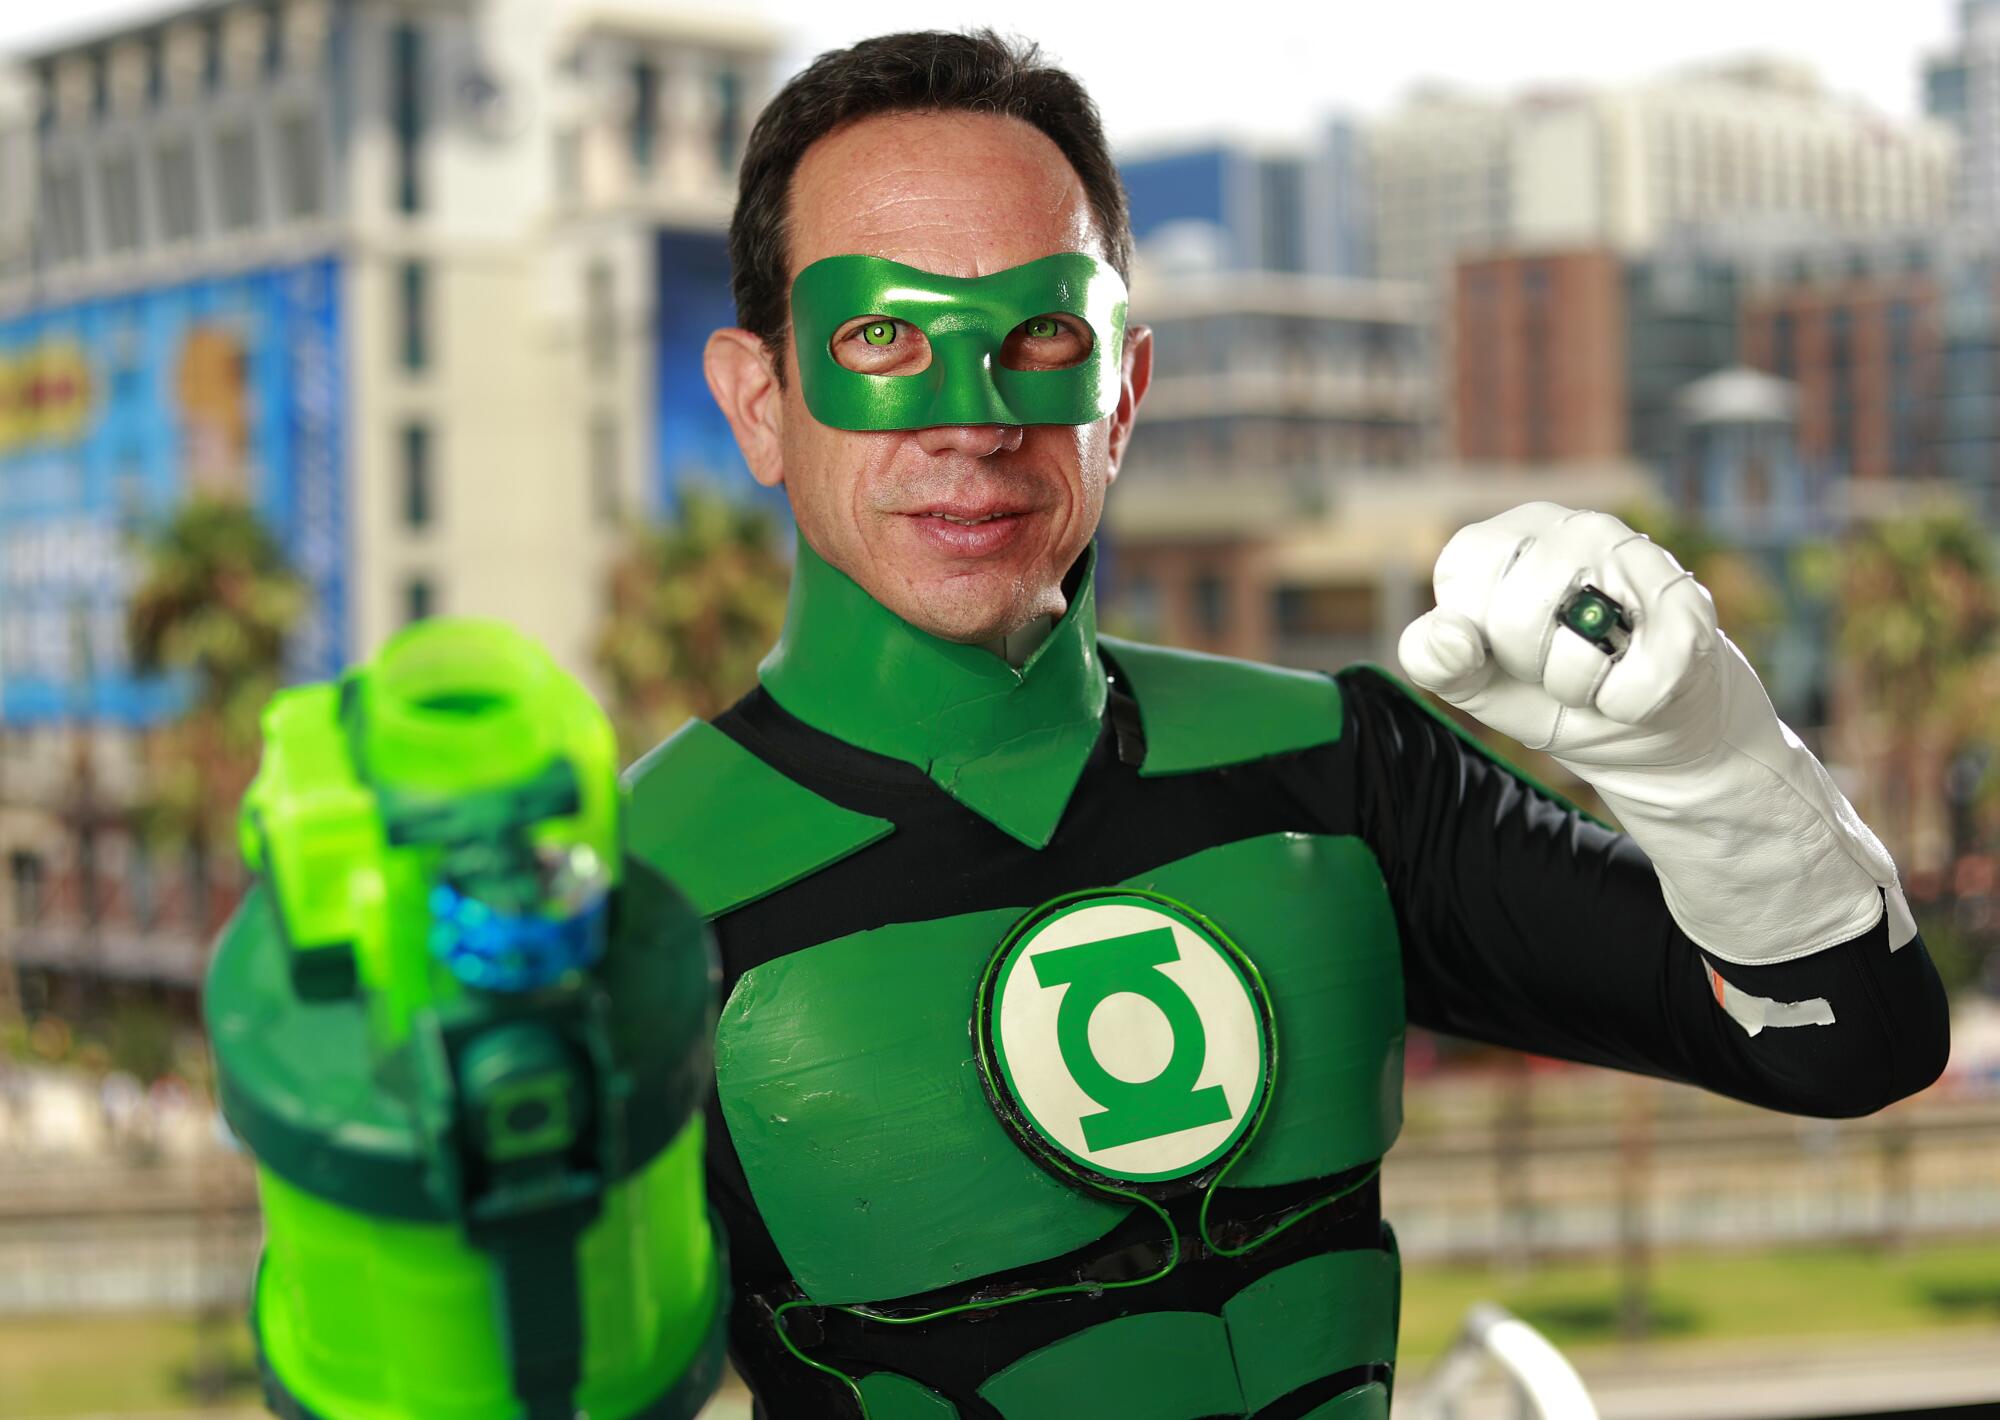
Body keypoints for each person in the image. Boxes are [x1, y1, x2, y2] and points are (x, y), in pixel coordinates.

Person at [627, 29, 1953, 1420]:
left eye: (1041, 336)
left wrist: (1712, 774)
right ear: (760, 402)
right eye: (882, 337)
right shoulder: (634, 900)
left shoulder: (1332, 769)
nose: (976, 422)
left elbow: (1846, 1042)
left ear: (1122, 397)